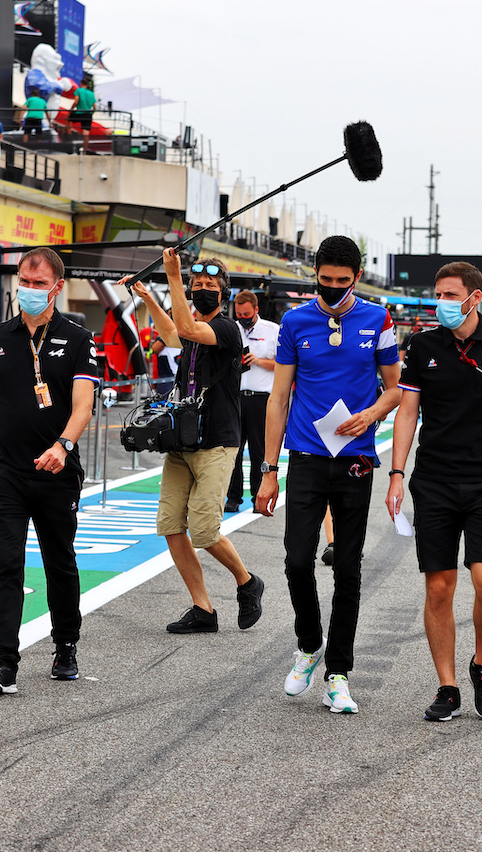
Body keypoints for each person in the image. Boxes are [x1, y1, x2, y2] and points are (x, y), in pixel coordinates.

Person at [386, 261, 482, 721]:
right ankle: (447, 686)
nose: (442, 303)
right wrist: (396, 473)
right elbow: (408, 413)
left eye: (451, 295)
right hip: (433, 481)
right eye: (439, 293)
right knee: (439, 587)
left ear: (475, 296)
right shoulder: (421, 344)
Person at [256, 235, 401, 715]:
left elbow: (395, 389)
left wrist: (372, 414)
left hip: (356, 457)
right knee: (298, 559)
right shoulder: (295, 322)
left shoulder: (378, 318)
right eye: (326, 280)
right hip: (306, 456)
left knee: (347, 567)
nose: (334, 288)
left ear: (356, 276)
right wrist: (269, 470)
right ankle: (309, 643)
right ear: (314, 275)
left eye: (343, 281)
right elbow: (278, 398)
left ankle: (338, 673)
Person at [0, 247, 98, 694]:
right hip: (4, 471)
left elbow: (84, 404)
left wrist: (63, 445)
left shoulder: (78, 338)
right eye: (24, 281)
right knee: (6, 564)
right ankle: (3, 664)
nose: (29, 290)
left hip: (57, 470)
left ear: (57, 287)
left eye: (38, 283)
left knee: (60, 563)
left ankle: (66, 644)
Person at [126, 251, 265, 635]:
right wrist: (148, 297)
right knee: (172, 525)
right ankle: (203, 608)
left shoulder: (226, 329)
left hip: (217, 443)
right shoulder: (194, 330)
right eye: (197, 285)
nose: (203, 291)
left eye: (209, 286)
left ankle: (247, 581)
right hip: (182, 442)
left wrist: (173, 276)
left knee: (204, 530)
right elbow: (174, 333)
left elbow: (186, 329)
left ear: (224, 292)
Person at [225, 291, 278, 513]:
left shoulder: (273, 330)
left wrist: (258, 361)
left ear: (256, 310)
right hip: (235, 397)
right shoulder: (231, 329)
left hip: (261, 398)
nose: (243, 318)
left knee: (259, 450)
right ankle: (233, 497)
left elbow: (283, 365)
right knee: (232, 450)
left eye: (247, 313)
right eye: (239, 314)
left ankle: (258, 495)